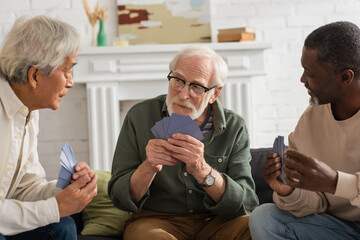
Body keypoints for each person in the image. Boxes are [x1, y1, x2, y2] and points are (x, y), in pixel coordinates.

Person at [108, 45, 258, 240]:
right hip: (157, 222)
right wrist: (149, 167)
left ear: (214, 94)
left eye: (196, 86)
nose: (183, 94)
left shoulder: (234, 126)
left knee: (255, 227)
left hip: (218, 222)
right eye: (178, 80)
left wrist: (204, 171)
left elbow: (246, 204)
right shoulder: (139, 116)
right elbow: (119, 198)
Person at [249, 21, 360, 239]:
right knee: (265, 217)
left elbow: (330, 184)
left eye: (310, 74)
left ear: (345, 77)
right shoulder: (312, 118)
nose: (302, 80)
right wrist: (288, 192)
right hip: (341, 228)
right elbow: (316, 202)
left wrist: (334, 182)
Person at [0, 15, 98, 239]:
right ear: (35, 75)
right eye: (66, 70)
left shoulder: (26, 109)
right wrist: (56, 207)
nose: (71, 82)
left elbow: (24, 188)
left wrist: (66, 190)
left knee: (62, 227)